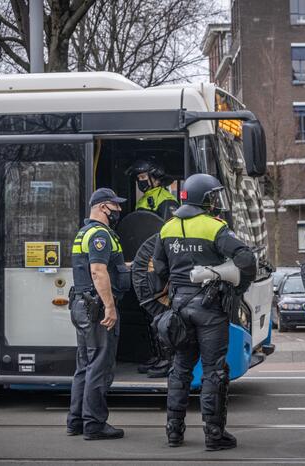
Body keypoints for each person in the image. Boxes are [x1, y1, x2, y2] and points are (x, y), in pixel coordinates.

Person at [152, 173, 256, 450]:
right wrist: (238, 286)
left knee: (180, 370)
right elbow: (246, 259)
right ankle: (214, 434)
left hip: (179, 308)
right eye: (212, 196)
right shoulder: (214, 227)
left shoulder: (167, 228)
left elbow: (159, 271)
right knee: (213, 371)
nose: (215, 201)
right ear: (204, 199)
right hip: (211, 308)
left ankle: (174, 432)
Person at [66, 188, 130, 440]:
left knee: (84, 365)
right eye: (116, 206)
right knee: (100, 366)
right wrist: (110, 306)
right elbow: (98, 271)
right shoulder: (100, 234)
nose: (119, 211)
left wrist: (130, 268)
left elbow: (107, 266)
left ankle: (76, 421)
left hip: (82, 305)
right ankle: (94, 424)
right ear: (104, 207)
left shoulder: (85, 232)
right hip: (97, 307)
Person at [127, 159, 180, 378]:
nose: (140, 183)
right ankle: (157, 355)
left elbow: (165, 235)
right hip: (143, 265)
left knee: (159, 314)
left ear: (155, 177)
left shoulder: (167, 202)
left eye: (142, 178)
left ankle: (167, 359)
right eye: (138, 179)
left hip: (156, 266)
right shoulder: (146, 200)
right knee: (148, 313)